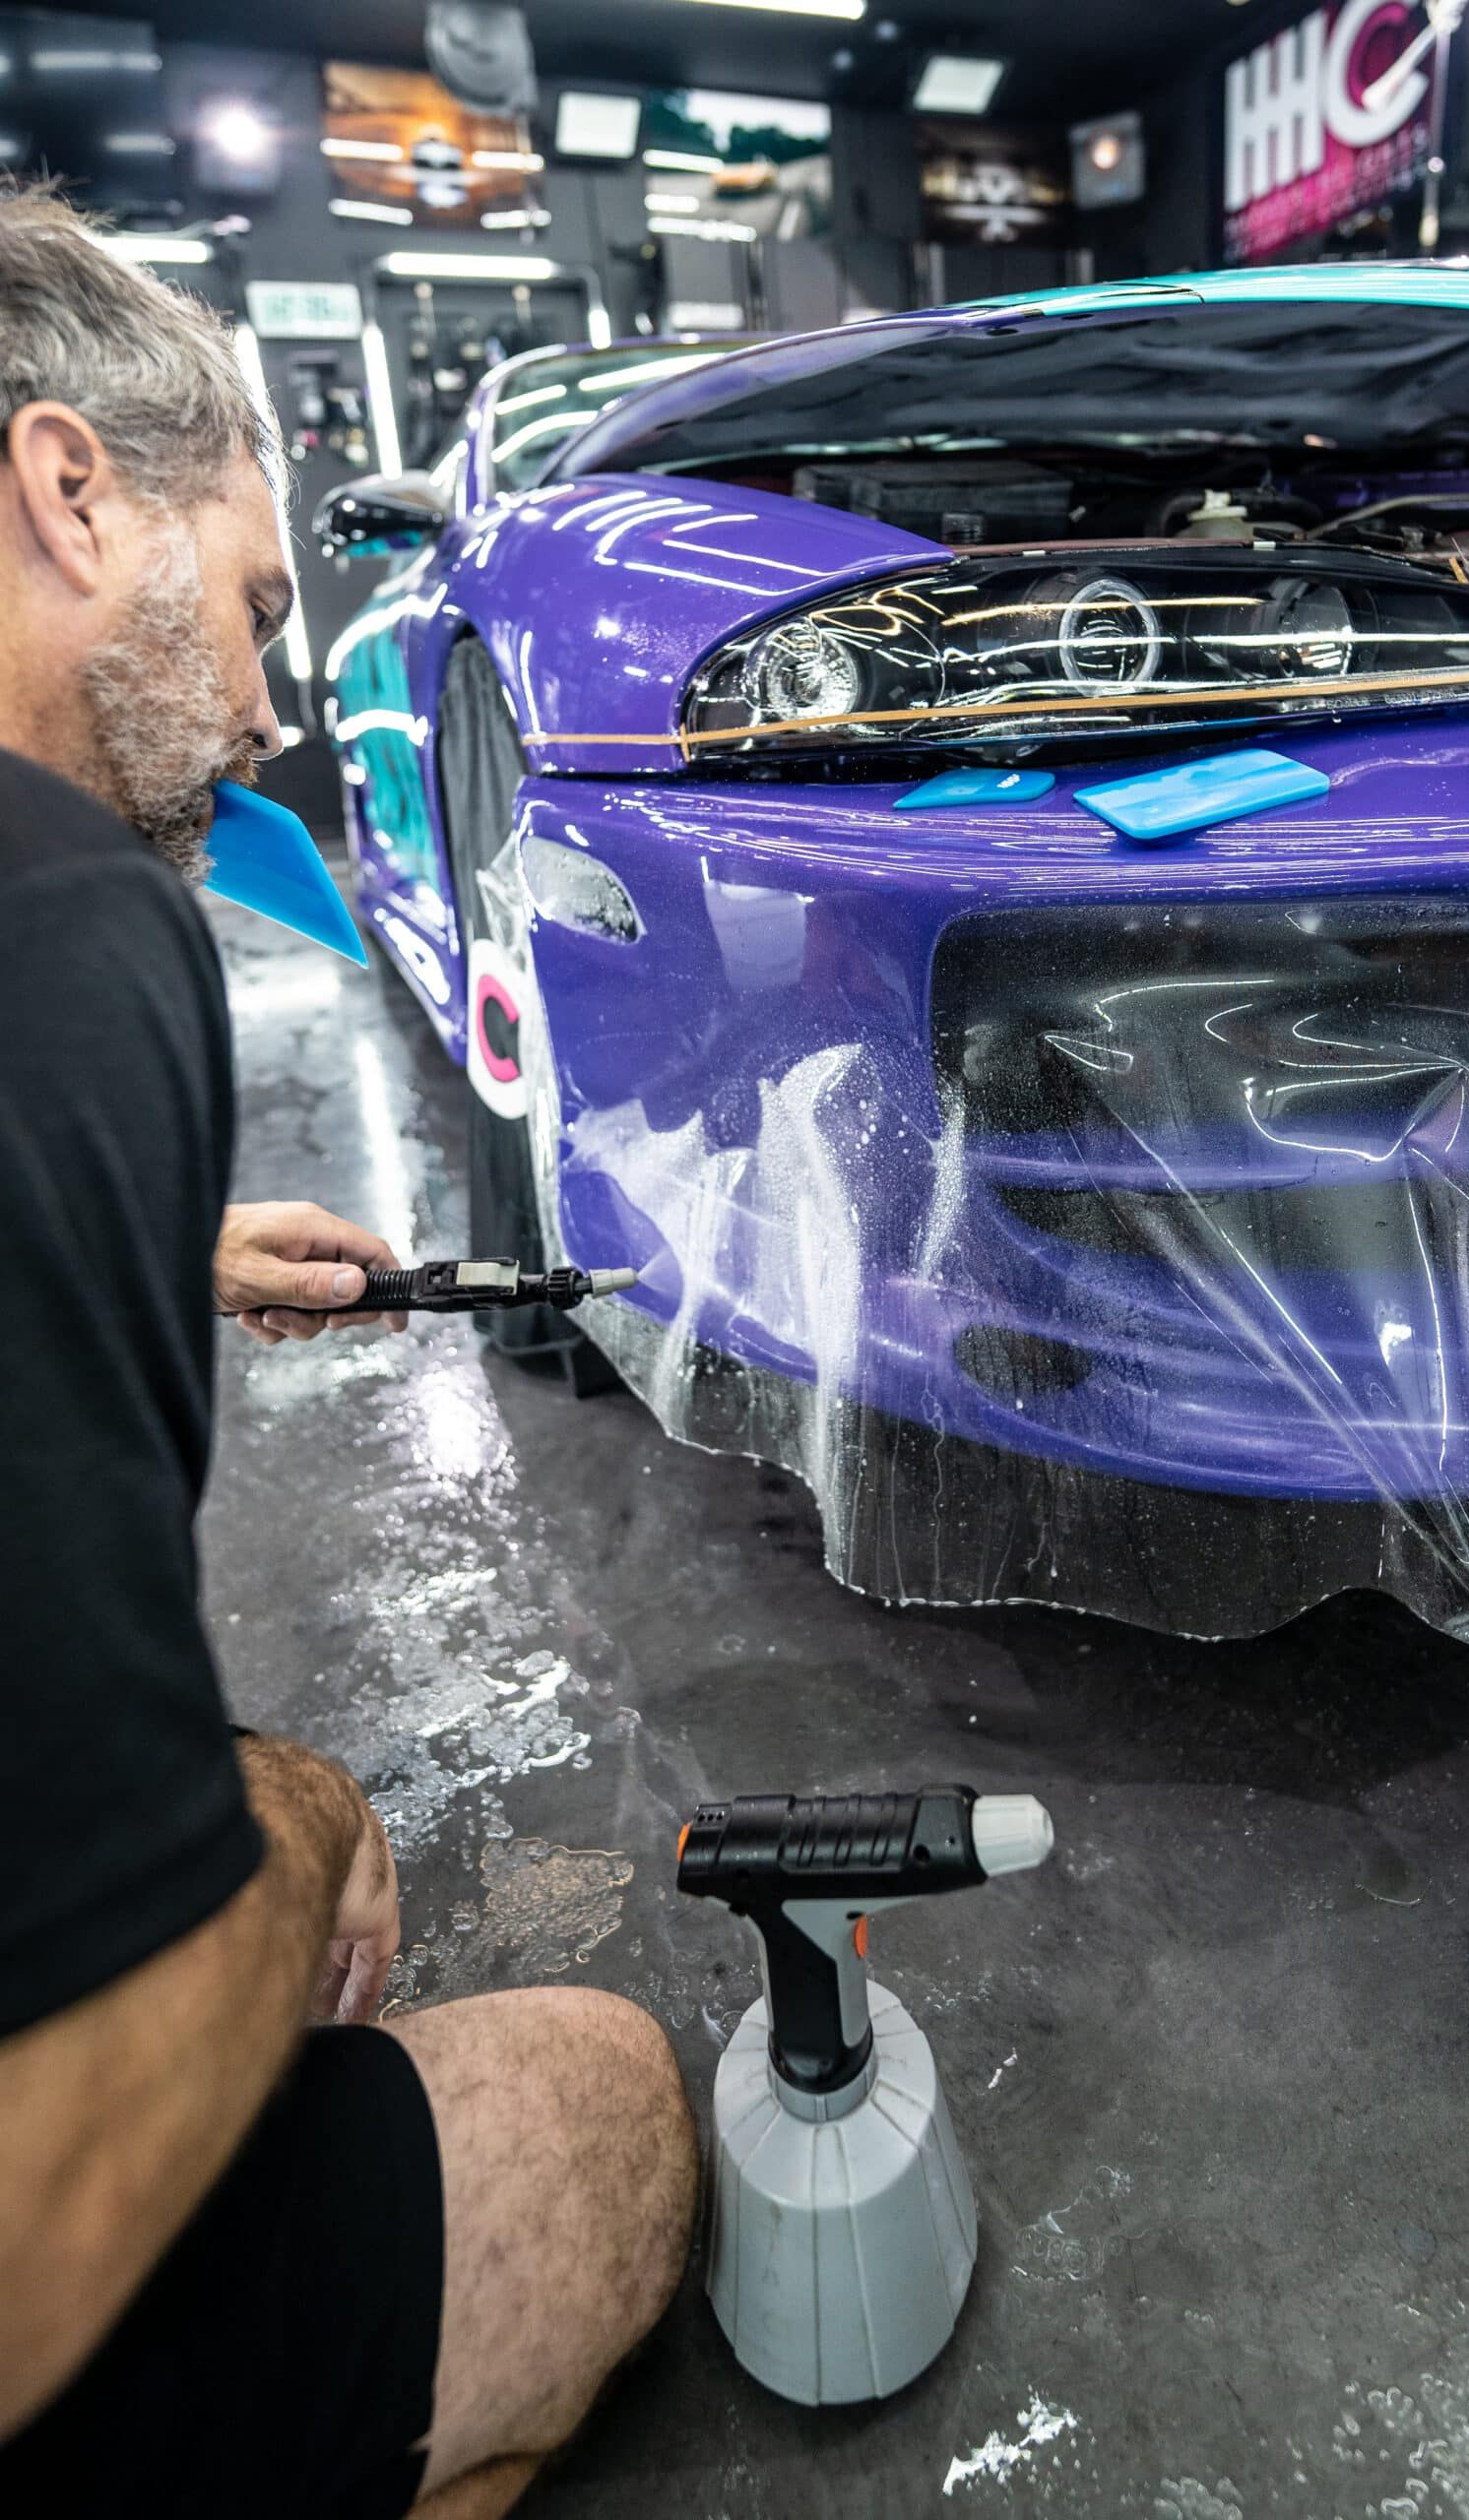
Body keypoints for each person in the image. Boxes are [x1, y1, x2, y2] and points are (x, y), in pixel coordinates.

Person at [0, 184, 695, 2517]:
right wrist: (295, 1816)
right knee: (606, 2105)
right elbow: (42, 2197)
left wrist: (143, 1240)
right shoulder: (75, 921)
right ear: (69, 487)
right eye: (265, 602)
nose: (285, 706)